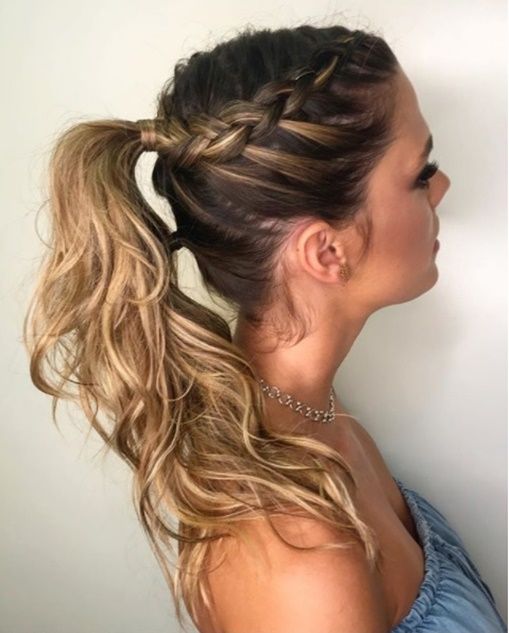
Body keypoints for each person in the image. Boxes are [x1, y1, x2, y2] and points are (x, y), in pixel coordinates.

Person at [23, 23, 506, 633]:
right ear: (326, 252)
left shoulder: (311, 409)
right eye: (420, 172)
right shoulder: (302, 564)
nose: (442, 188)